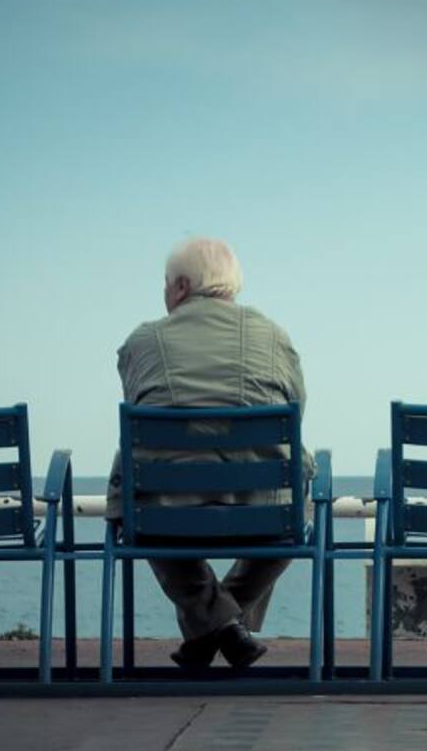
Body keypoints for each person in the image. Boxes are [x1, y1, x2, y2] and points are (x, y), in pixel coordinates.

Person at [106, 237, 311, 671]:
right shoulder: (273, 336)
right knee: (297, 501)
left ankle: (214, 626)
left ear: (181, 286)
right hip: (262, 508)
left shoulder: (142, 342)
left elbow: (140, 412)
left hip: (166, 512)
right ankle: (228, 627)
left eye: (166, 283)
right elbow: (296, 413)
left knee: (142, 501)